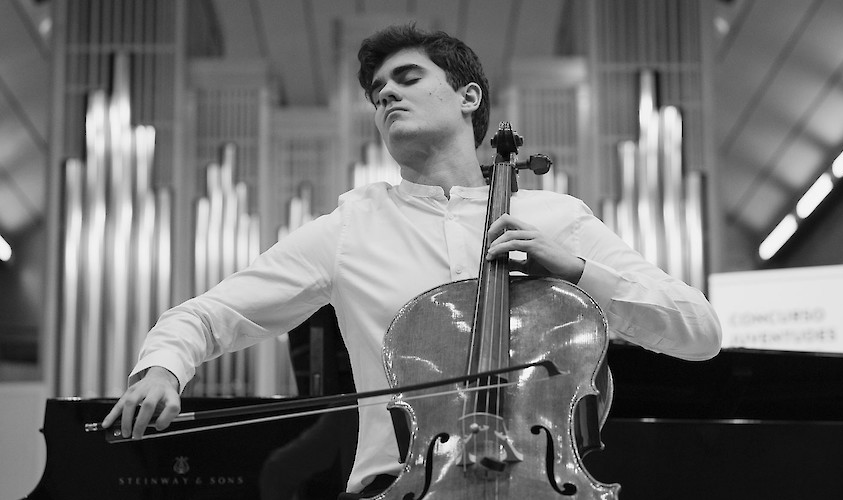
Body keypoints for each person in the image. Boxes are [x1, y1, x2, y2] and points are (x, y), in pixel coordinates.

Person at [102, 24, 722, 497]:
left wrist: (576, 270)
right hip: (398, 487)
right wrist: (160, 370)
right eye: (378, 93)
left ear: (467, 96)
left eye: (406, 79)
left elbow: (699, 331)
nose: (386, 96)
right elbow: (209, 314)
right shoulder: (352, 227)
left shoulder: (558, 218)